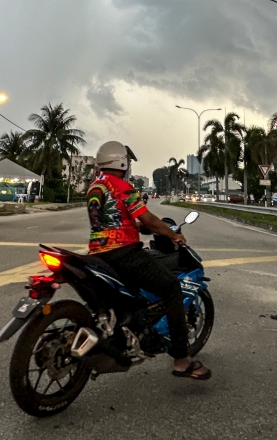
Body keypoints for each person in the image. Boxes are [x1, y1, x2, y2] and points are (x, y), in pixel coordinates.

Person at [86, 140, 211, 380]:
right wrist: (172, 234)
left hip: (98, 255)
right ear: (121, 162)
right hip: (124, 254)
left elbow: (115, 221)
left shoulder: (95, 187)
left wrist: (139, 229)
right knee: (172, 287)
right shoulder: (121, 186)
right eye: (127, 162)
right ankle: (182, 360)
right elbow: (148, 218)